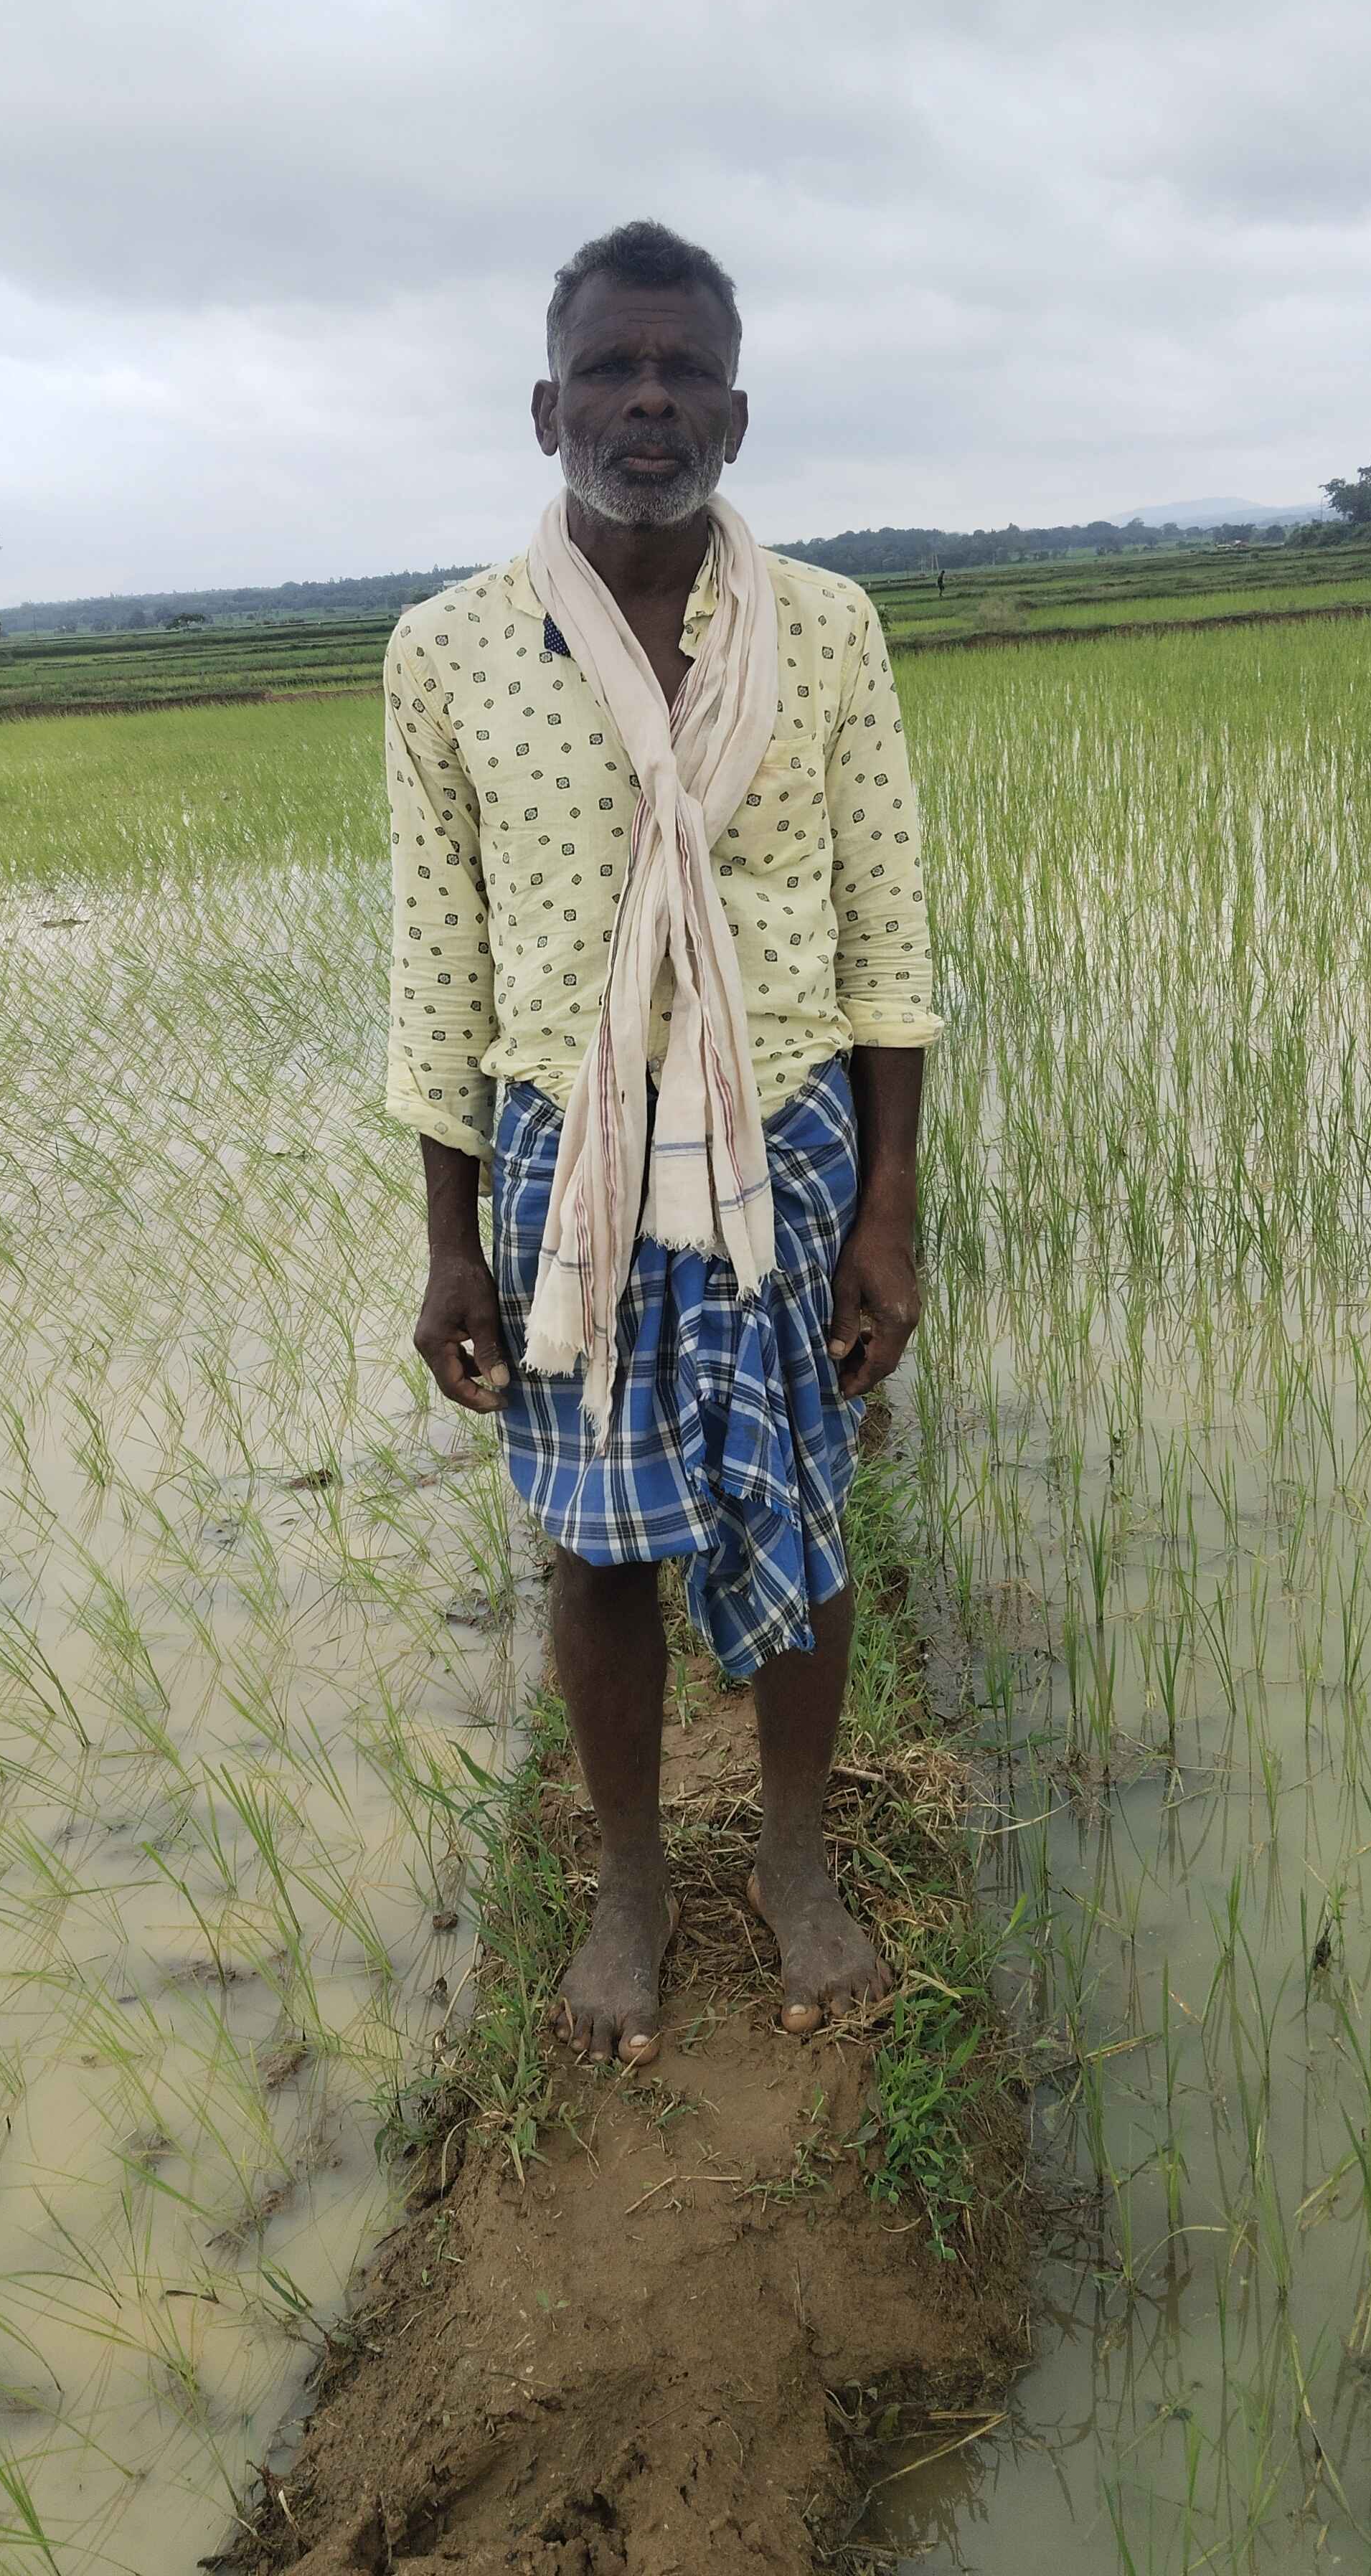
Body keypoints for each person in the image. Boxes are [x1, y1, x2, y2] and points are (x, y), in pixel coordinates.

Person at [383, 219, 942, 2064]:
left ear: (736, 414)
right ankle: (630, 1879)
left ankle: (791, 1857)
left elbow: (887, 938)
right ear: (546, 408)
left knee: (801, 1505)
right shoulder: (450, 651)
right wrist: (450, 1240)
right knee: (598, 1544)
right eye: (611, 370)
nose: (648, 400)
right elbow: (440, 965)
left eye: (683, 370)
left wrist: (889, 1205)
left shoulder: (827, 631)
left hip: (785, 1138)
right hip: (568, 1161)